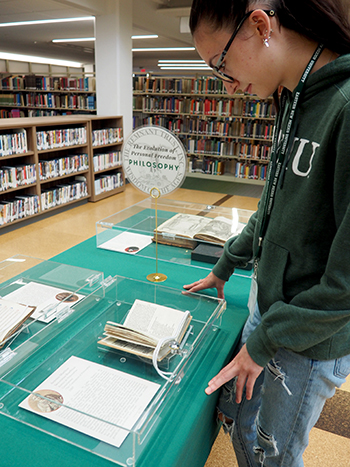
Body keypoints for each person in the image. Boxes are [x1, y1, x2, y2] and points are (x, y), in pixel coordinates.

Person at [183, 1, 350, 465]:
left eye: (221, 64)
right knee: (237, 419)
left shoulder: (345, 107)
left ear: (259, 25)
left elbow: (347, 286)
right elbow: (274, 205)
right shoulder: (292, 99)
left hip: (310, 338)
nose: (228, 83)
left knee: (274, 454)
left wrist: (264, 340)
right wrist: (227, 263)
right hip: (272, 308)